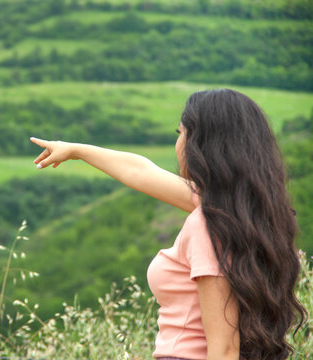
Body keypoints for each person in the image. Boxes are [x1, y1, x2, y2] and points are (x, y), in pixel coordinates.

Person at [29, 89, 306, 360]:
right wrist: (75, 150)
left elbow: (224, 351)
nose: (178, 143)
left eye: (180, 133)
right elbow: (142, 172)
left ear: (201, 145)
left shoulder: (208, 225)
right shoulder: (252, 216)